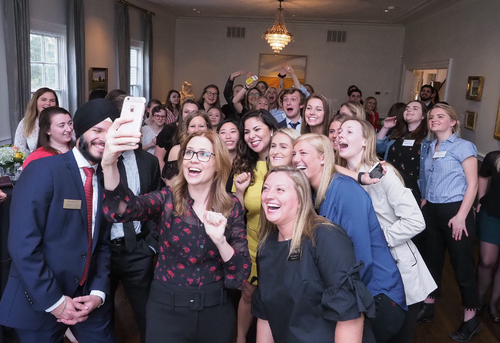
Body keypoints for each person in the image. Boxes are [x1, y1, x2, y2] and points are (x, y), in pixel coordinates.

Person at [101, 129, 251, 343]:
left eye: (203, 154)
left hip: (215, 312)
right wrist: (108, 164)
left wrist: (220, 241)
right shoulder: (167, 199)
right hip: (166, 311)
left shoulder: (231, 206)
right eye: (188, 152)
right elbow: (124, 208)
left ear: (219, 163)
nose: (192, 159)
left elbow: (240, 274)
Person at [0, 98, 118, 342]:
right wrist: (54, 301)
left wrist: (98, 292)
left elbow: (103, 243)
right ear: (79, 131)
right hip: (39, 299)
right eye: (97, 130)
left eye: (111, 132)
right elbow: (23, 244)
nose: (104, 139)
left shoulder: (109, 179)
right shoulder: (44, 170)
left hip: (87, 300)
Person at [292, 133, 407, 343]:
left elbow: (361, 259)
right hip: (352, 297)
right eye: (293, 154)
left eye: (303, 153)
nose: (295, 158)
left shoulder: (344, 190)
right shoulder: (316, 193)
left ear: (323, 157)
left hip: (377, 299)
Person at [337, 118, 437, 343]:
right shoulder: (339, 179)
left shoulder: (382, 173)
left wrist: (374, 240)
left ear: (365, 141)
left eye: (348, 131)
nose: (340, 135)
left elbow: (415, 221)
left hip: (400, 272)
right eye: (339, 132)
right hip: (367, 273)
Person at [252, 166, 376, 343]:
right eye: (266, 188)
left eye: (280, 189)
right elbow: (265, 315)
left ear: (301, 199)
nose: (269, 195)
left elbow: (349, 313)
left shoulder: (325, 236)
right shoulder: (266, 247)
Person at [417, 104, 480, 342]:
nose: (434, 119)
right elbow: (431, 177)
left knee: (462, 266)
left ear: (453, 122)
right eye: (431, 117)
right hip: (432, 210)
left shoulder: (464, 147)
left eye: (440, 116)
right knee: (431, 260)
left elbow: (472, 184)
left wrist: (462, 215)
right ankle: (428, 306)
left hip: (456, 211)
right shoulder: (431, 146)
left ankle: (471, 319)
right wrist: (426, 198)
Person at [232, 109, 279, 343]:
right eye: (247, 131)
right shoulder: (244, 166)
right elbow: (236, 212)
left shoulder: (285, 162)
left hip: (281, 245)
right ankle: (241, 339)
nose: (251, 136)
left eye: (257, 129)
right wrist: (240, 192)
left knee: (277, 298)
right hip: (252, 244)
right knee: (248, 294)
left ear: (272, 130)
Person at [376, 101, 430, 203]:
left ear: (423, 116)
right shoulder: (397, 133)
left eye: (415, 108)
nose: (409, 110)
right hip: (391, 184)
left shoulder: (428, 138)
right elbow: (378, 148)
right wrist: (386, 127)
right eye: (407, 108)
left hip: (413, 188)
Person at [476, 150, 500, 323]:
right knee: (486, 261)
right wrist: (480, 200)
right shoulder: (494, 157)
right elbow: (482, 176)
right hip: (491, 214)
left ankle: (493, 303)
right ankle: (478, 299)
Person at [155, 99, 200, 179]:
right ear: (181, 113)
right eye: (186, 112)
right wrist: (168, 181)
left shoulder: (200, 131)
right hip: (171, 178)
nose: (190, 115)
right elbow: (158, 158)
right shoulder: (169, 129)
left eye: (193, 112)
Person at [164, 111, 212, 185]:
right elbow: (170, 184)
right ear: (187, 129)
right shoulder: (176, 150)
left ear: (208, 128)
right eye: (192, 126)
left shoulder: (214, 149)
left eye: (201, 126)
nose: (197, 130)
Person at [14, 87, 58, 155]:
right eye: (43, 100)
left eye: (52, 100)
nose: (48, 103)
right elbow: (19, 150)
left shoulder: (63, 122)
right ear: (35, 102)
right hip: (34, 162)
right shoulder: (25, 122)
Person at [217, 119, 241, 193]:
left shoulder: (247, 163)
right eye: (223, 132)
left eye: (233, 131)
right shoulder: (212, 162)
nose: (228, 136)